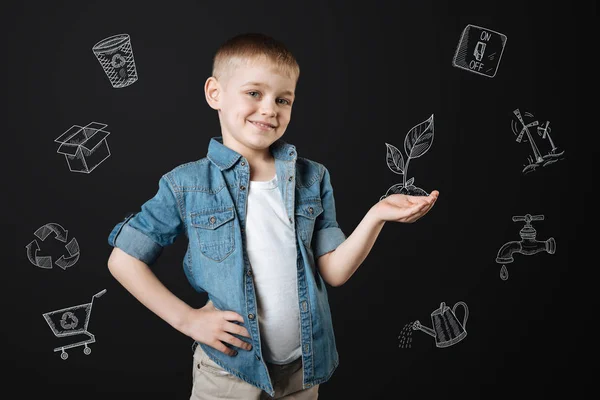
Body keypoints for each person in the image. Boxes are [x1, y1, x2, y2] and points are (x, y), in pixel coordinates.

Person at [107, 32, 438, 400]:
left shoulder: (313, 178)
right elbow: (124, 259)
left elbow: (334, 271)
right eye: (254, 93)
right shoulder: (186, 184)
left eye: (283, 99)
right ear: (215, 93)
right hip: (229, 371)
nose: (269, 109)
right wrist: (189, 320)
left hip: (302, 369)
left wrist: (376, 216)